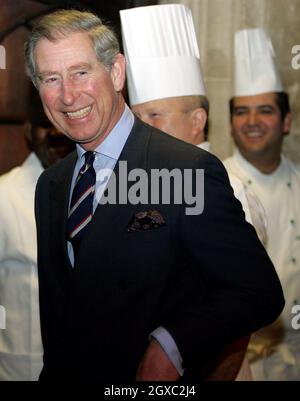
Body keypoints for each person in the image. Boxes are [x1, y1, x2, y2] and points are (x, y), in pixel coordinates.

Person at [25, 9, 284, 381]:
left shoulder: (184, 169)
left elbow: (257, 291)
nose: (68, 95)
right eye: (51, 78)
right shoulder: (51, 185)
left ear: (115, 72)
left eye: (81, 72)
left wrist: (172, 344)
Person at [120, 4, 266, 380]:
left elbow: (241, 312)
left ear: (197, 121)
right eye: (136, 119)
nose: (142, 130)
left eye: (155, 116)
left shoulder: (222, 188)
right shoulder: (144, 181)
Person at [223, 28, 300, 380]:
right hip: (235, 364)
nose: (252, 122)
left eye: (264, 111)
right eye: (242, 112)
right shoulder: (215, 185)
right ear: (231, 123)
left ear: (286, 122)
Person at [0, 93, 74, 380]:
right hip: (20, 370)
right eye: (46, 124)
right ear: (29, 131)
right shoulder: (4, 196)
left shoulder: (100, 192)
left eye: (64, 120)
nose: (57, 132)